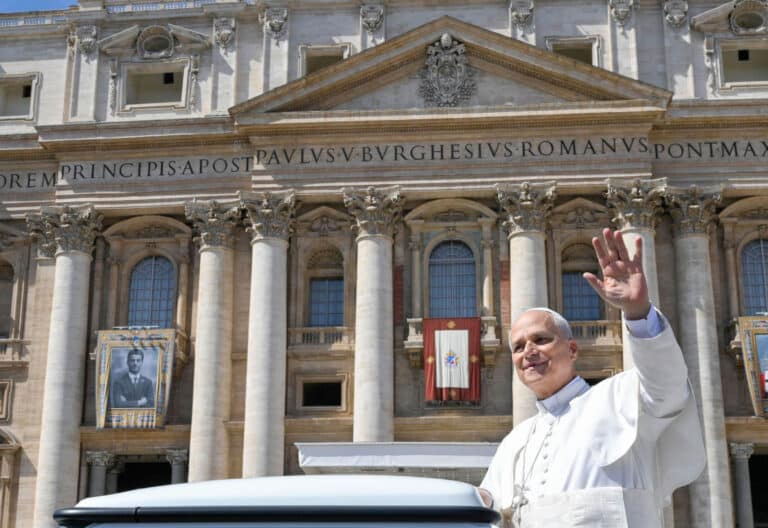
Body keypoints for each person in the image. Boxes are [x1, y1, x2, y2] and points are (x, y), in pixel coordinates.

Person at [479, 228, 705, 528]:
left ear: (572, 349)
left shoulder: (619, 398)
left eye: (541, 340)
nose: (529, 351)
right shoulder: (515, 442)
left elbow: (667, 386)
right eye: (518, 347)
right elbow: (486, 511)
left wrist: (638, 312)